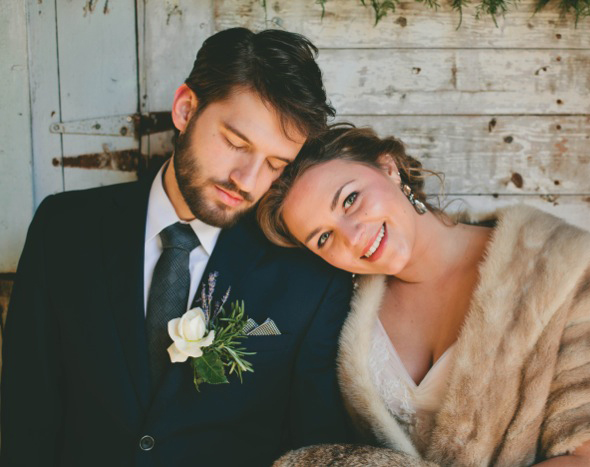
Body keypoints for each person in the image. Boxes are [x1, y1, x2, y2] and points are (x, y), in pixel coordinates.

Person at [1, 28, 354, 467]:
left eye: (275, 164)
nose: (247, 180)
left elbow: (315, 448)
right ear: (186, 109)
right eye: (235, 143)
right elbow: (27, 412)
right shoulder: (63, 228)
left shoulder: (309, 276)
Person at [258, 125, 590, 467]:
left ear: (389, 168)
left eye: (350, 199)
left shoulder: (557, 265)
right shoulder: (341, 312)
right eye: (324, 237)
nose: (352, 235)